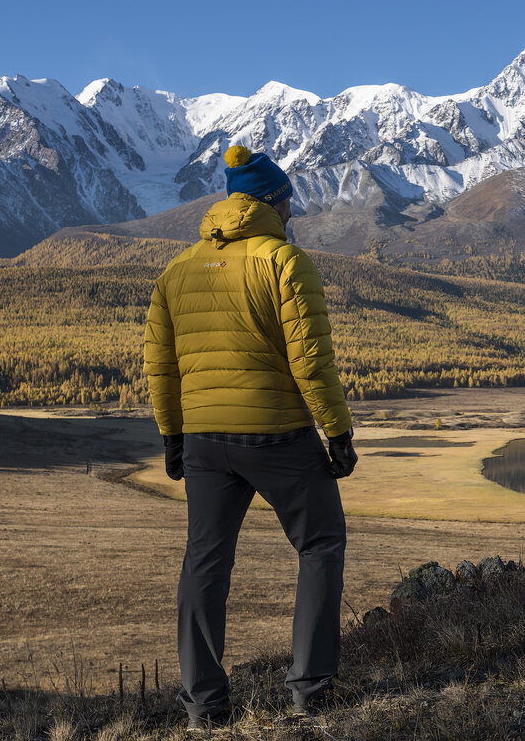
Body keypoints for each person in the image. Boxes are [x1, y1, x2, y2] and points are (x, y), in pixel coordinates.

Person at [143, 144, 358, 730]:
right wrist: (335, 431)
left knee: (204, 564)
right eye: (289, 201)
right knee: (320, 543)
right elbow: (310, 359)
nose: (293, 212)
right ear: (272, 202)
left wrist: (172, 436)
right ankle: (311, 690)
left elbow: (159, 365)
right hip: (277, 435)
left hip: (205, 442)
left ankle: (204, 706)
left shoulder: (177, 270)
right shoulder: (284, 260)